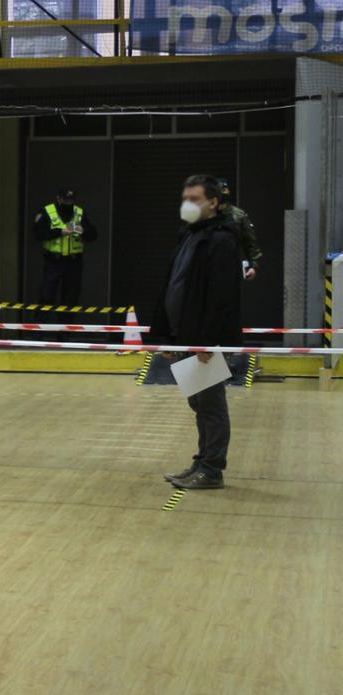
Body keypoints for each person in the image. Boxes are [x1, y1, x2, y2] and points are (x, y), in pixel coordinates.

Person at [158, 175, 243, 491]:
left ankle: (212, 469)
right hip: (186, 335)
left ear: (213, 203)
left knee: (211, 404)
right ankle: (201, 461)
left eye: (195, 199)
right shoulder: (190, 235)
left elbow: (221, 298)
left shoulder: (221, 239)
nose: (188, 204)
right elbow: (176, 285)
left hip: (205, 339)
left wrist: (207, 341)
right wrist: (169, 335)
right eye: (185, 198)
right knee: (198, 402)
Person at [31, 189, 99, 307]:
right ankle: (42, 324)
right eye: (65, 200)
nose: (68, 203)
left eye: (71, 200)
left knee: (71, 299)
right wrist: (60, 232)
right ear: (59, 199)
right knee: (46, 296)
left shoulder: (80, 212)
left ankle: (66, 324)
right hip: (53, 261)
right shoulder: (47, 211)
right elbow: (38, 234)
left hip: (74, 262)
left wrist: (84, 231)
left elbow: (93, 235)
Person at [218, 178, 262, 282]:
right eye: (219, 190)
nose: (222, 192)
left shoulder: (238, 215)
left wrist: (253, 266)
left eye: (224, 189)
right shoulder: (205, 214)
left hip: (230, 265)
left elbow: (249, 242)